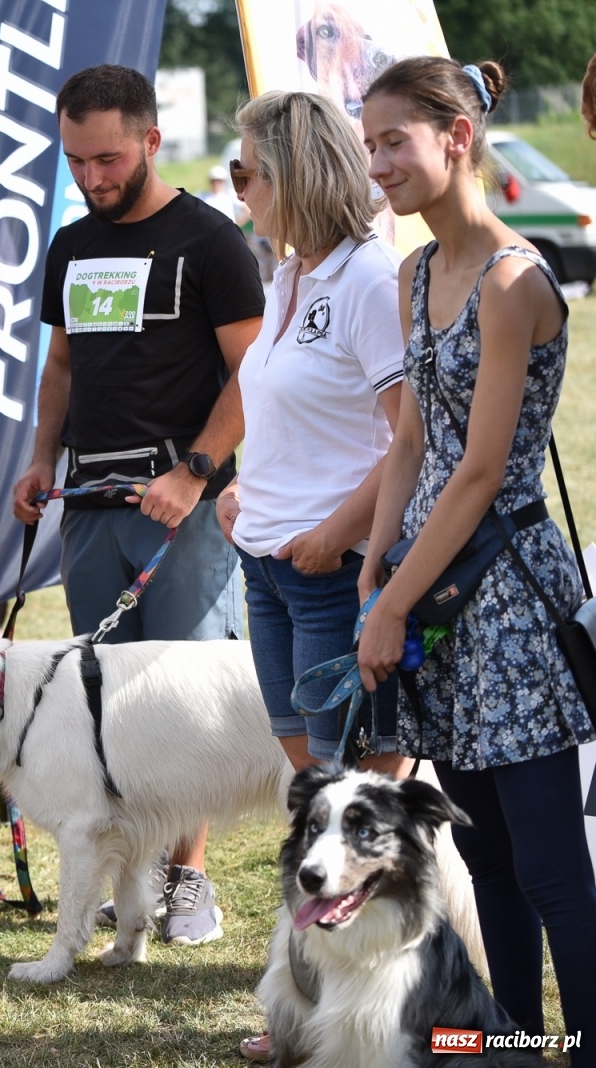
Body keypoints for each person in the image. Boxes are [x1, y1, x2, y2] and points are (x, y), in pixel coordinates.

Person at [358, 57, 596, 1060]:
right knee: (482, 853)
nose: (377, 166)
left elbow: (481, 473)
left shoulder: (514, 282)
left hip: (505, 600)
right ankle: (510, 1042)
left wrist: (391, 605)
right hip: (436, 596)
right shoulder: (413, 275)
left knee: (546, 863)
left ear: (456, 137)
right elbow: (410, 443)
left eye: (392, 142)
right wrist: (375, 569)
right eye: (368, 145)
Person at [8, 64, 265, 947]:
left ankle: (188, 880)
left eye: (109, 158)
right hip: (89, 504)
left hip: (183, 509)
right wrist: (41, 459)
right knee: (104, 698)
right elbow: (65, 367)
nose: (92, 177)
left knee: (177, 700)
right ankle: (134, 878)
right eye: (76, 160)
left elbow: (251, 373)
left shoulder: (212, 242)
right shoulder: (71, 245)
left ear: (151, 141)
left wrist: (195, 472)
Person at [217, 90, 410, 1066]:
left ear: (290, 172)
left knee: (351, 815)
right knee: (321, 813)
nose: (234, 187)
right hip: (271, 571)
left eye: (244, 170)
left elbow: (411, 437)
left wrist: (337, 530)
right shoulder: (290, 275)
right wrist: (245, 492)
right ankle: (310, 1020)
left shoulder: (370, 280)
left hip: (335, 580)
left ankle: (361, 1029)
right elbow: (296, 416)